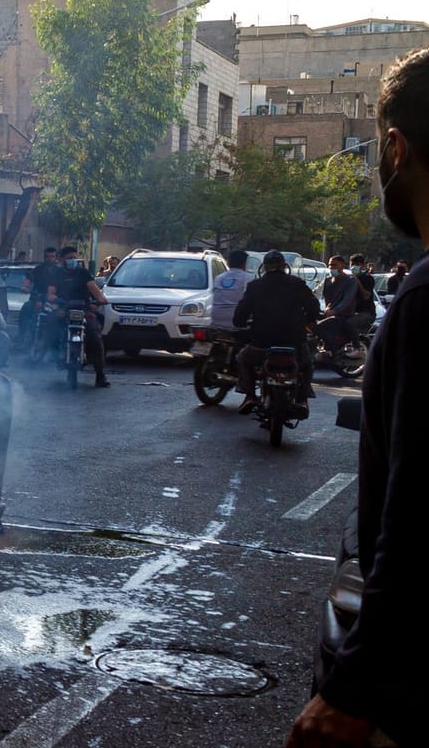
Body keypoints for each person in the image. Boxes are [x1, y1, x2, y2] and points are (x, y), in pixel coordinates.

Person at [287, 45, 429, 748]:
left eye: (377, 147)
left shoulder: (420, 302)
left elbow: (418, 515)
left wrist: (353, 685)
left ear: (396, 147)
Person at [232, 250, 320, 415]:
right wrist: (307, 321)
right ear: (284, 266)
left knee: (243, 359)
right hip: (294, 342)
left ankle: (250, 395)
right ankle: (302, 399)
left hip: (261, 343)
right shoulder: (297, 283)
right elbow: (314, 308)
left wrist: (241, 323)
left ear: (264, 267)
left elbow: (240, 315)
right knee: (307, 364)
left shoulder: (255, 286)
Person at [45, 245, 111, 387]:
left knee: (95, 336)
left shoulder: (83, 273)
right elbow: (51, 292)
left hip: (84, 310)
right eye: (69, 258)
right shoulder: (57, 274)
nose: (73, 260)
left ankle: (100, 374)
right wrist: (53, 299)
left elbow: (95, 290)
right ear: (62, 259)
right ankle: (52, 354)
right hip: (64, 310)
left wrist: (100, 300)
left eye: (75, 258)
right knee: (51, 323)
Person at [316, 255, 360, 352]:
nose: (331, 267)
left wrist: (334, 311)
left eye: (334, 265)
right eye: (330, 265)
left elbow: (347, 300)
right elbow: (315, 292)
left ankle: (333, 349)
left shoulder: (350, 281)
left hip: (343, 315)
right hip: (328, 313)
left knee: (318, 327)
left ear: (342, 265)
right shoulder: (327, 280)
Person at [20, 246, 59, 348]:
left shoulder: (60, 271)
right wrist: (25, 287)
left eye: (52, 256)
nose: (50, 258)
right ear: (44, 257)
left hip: (54, 301)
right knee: (26, 307)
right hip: (37, 298)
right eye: (47, 256)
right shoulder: (38, 269)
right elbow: (28, 281)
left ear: (56, 257)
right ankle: (22, 337)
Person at [210, 250, 251, 332]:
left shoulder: (219, 278)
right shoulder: (249, 278)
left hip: (216, 320)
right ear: (245, 263)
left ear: (228, 263)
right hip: (236, 322)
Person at [348, 253, 378, 336]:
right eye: (352, 264)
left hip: (366, 313)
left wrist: (357, 280)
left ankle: (356, 346)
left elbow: (366, 296)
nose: (354, 266)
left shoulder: (367, 278)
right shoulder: (348, 279)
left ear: (362, 265)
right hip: (352, 312)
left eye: (357, 264)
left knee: (349, 323)